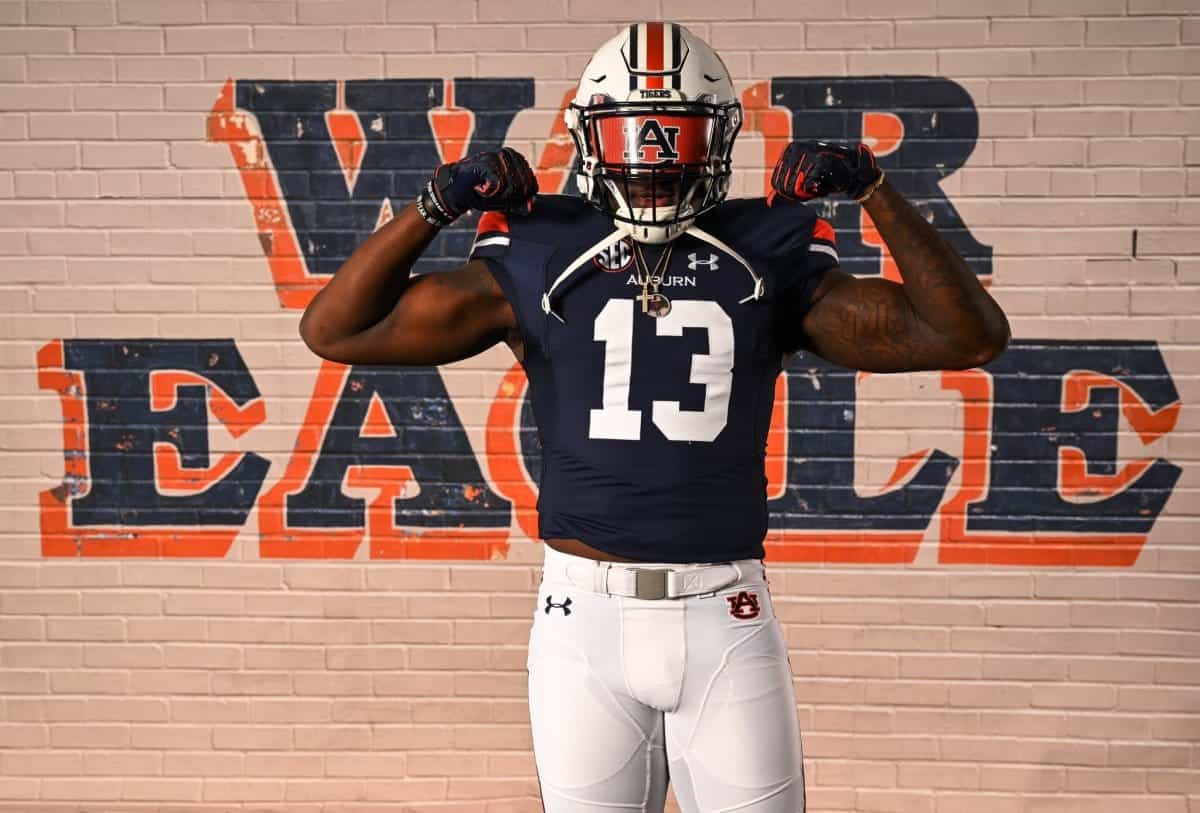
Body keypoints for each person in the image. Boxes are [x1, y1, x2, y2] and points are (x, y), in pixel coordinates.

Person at [299, 22, 1009, 813]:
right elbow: (335, 329)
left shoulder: (762, 244)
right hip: (582, 617)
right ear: (590, 136)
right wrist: (435, 204)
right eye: (636, 135)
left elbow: (967, 335)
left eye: (679, 135)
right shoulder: (543, 245)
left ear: (718, 137)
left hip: (725, 609)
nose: (655, 160)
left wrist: (875, 187)